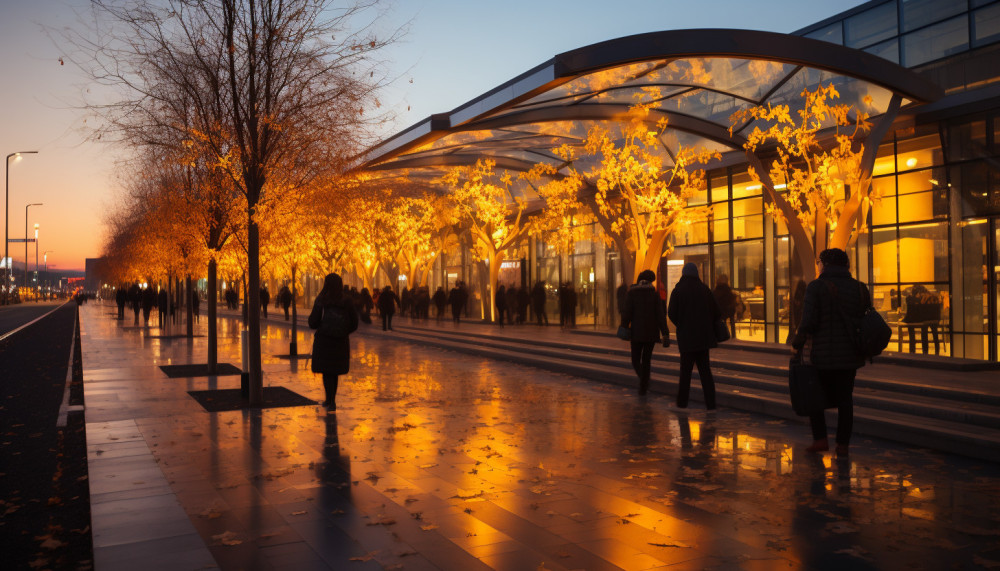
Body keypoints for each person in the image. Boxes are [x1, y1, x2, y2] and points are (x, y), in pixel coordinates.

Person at [791, 248, 870, 456]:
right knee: (845, 399)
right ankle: (842, 445)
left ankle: (820, 439)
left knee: (814, 394)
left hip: (822, 355)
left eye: (819, 263)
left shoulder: (816, 287)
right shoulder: (860, 288)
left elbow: (808, 321)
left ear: (824, 265)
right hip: (851, 355)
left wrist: (797, 342)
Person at [667, 263, 720, 410]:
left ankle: (682, 402)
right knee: (705, 372)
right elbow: (716, 311)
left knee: (685, 373)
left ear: (683, 274)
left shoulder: (678, 290)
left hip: (687, 338)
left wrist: (682, 324)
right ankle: (711, 403)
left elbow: (671, 312)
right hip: (704, 338)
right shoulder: (705, 290)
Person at [308, 273, 359, 410]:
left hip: (324, 340)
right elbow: (354, 323)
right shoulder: (347, 301)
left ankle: (328, 399)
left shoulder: (322, 300)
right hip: (340, 342)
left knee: (326, 371)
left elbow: (313, 322)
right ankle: (332, 400)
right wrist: (343, 332)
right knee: (334, 372)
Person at [621, 270, 670, 396]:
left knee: (635, 360)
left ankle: (644, 381)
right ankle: (644, 385)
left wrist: (624, 326)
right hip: (651, 333)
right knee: (646, 360)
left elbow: (627, 312)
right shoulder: (654, 295)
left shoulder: (632, 293)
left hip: (636, 333)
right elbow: (660, 315)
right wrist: (665, 332)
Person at [713, 274, 737, 340]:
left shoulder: (716, 291)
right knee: (730, 320)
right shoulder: (727, 290)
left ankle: (724, 335)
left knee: (722, 321)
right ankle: (733, 335)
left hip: (720, 312)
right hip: (728, 311)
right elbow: (731, 300)